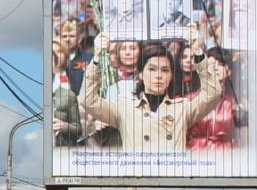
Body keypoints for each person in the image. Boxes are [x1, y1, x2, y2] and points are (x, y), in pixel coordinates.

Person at [83, 42, 227, 148]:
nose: (158, 76)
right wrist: (96, 59)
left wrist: (199, 55)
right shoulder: (125, 106)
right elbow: (88, 100)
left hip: (171, 182)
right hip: (138, 184)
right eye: (152, 69)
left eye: (165, 70)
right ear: (140, 74)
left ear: (171, 76)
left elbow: (213, 94)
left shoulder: (182, 107)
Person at [184, 47, 243, 149]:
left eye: (221, 64)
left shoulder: (234, 103)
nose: (215, 68)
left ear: (228, 71)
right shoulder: (189, 100)